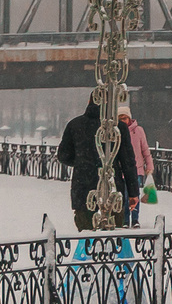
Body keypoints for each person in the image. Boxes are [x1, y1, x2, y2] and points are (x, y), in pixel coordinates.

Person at [55, 95, 139, 233]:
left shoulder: (75, 125)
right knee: (113, 239)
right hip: (112, 191)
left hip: (83, 191)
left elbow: (63, 156)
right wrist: (133, 193)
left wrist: (82, 162)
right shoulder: (119, 127)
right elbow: (128, 162)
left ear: (89, 102)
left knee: (87, 237)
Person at [118, 104, 154, 226]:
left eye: (124, 118)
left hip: (136, 169)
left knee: (134, 194)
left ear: (129, 118)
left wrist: (149, 166)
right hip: (121, 169)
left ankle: (134, 219)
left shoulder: (138, 131)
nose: (122, 121)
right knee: (123, 195)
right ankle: (125, 219)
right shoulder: (116, 132)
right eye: (120, 118)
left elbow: (145, 149)